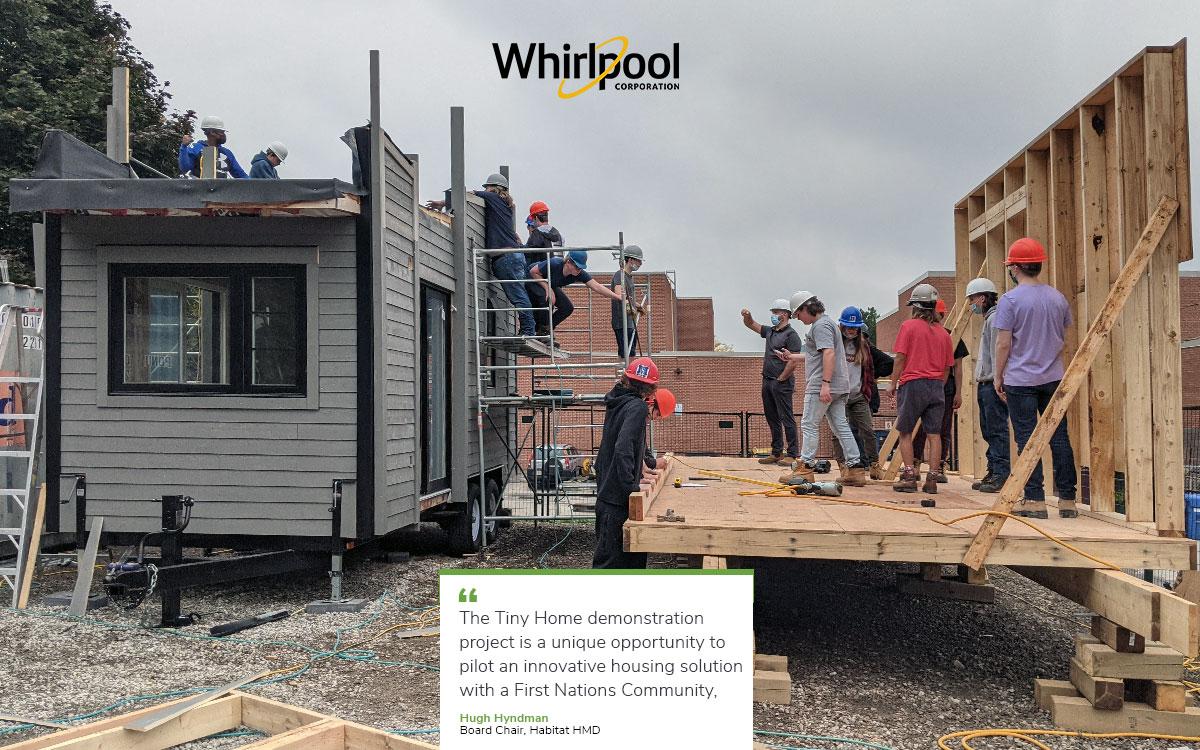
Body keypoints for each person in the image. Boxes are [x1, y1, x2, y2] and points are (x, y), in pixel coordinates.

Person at [993, 237, 1077, 519]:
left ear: (1014, 267)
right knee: (1060, 438)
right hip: (1053, 378)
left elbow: (1003, 343)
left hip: (1020, 380)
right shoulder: (1057, 298)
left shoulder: (1010, 300)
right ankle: (1067, 500)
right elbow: (1065, 337)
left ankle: (1035, 500)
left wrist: (997, 375)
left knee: (1027, 439)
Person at [775, 291, 867, 487]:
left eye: (798, 314)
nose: (798, 318)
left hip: (823, 385)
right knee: (840, 425)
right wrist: (793, 357)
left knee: (809, 424)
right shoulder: (829, 324)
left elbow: (829, 354)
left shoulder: (820, 326)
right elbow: (818, 356)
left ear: (806, 308)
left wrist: (825, 384)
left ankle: (805, 468)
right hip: (839, 386)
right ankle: (855, 468)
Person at [426, 173, 535, 336]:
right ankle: (529, 328)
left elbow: (466, 194)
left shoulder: (493, 197)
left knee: (518, 295)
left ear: (494, 188)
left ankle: (528, 330)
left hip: (506, 258)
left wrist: (442, 203)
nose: (487, 189)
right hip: (513, 256)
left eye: (488, 187)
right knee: (519, 294)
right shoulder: (506, 205)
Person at [593, 357, 662, 569]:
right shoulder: (637, 408)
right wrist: (631, 489)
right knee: (616, 565)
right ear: (650, 389)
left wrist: (646, 464)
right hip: (618, 504)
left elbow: (631, 446)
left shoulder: (617, 404)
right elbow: (623, 449)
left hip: (608, 498)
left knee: (625, 562)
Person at [885, 283, 955, 494]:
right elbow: (947, 368)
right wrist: (937, 386)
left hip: (913, 383)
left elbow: (900, 358)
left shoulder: (909, 327)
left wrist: (892, 383)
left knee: (905, 432)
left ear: (915, 306)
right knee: (934, 434)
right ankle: (932, 479)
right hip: (936, 386)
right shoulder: (944, 334)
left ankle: (909, 476)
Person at [830, 306, 893, 480]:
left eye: (854, 328)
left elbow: (885, 364)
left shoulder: (864, 347)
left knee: (867, 431)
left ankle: (874, 465)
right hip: (839, 396)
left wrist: (872, 378)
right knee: (837, 433)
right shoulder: (835, 345)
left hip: (858, 395)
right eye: (848, 327)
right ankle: (843, 467)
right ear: (841, 327)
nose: (851, 331)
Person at [913, 297, 969, 482]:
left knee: (940, 428)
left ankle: (938, 467)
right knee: (920, 428)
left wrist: (959, 392)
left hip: (944, 388)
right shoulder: (923, 334)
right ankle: (915, 463)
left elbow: (958, 368)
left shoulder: (952, 337)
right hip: (927, 384)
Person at [741, 298, 803, 466]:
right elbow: (752, 324)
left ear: (785, 314)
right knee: (772, 417)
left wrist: (782, 378)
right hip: (767, 380)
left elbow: (794, 361)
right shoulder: (770, 331)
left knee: (786, 417)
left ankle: (792, 453)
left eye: (776, 312)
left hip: (782, 383)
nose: (773, 316)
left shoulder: (792, 335)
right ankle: (776, 452)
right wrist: (747, 316)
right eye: (773, 313)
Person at [965, 277, 1008, 493]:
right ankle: (993, 470)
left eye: (972, 299)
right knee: (988, 430)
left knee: (996, 429)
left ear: (982, 298)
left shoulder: (995, 319)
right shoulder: (989, 318)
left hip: (993, 382)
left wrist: (999, 380)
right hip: (986, 382)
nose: (971, 304)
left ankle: (1001, 473)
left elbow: (997, 350)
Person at [526, 250, 624, 340]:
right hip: (535, 278)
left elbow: (597, 286)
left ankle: (545, 329)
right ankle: (541, 330)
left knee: (567, 307)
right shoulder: (555, 263)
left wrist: (617, 297)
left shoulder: (580, 274)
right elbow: (533, 272)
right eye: (577, 267)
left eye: (581, 268)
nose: (579, 270)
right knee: (548, 298)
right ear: (568, 262)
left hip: (551, 284)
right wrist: (548, 288)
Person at [179, 115, 248, 179]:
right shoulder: (196, 148)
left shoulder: (226, 153)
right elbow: (185, 169)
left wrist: (255, 185)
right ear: (212, 132)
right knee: (209, 153)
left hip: (222, 191)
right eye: (221, 132)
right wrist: (184, 147)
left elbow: (241, 175)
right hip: (200, 190)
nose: (224, 135)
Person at [611, 245, 649, 358]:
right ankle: (624, 375)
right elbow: (619, 294)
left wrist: (638, 306)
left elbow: (629, 299)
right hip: (622, 322)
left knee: (631, 352)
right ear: (630, 260)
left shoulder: (629, 277)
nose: (640, 264)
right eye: (638, 261)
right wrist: (630, 308)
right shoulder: (620, 275)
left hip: (629, 322)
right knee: (625, 354)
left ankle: (626, 374)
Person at [524, 200, 563, 268]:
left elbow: (527, 252)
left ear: (535, 218)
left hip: (545, 273)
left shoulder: (537, 233)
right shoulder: (558, 234)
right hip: (560, 270)